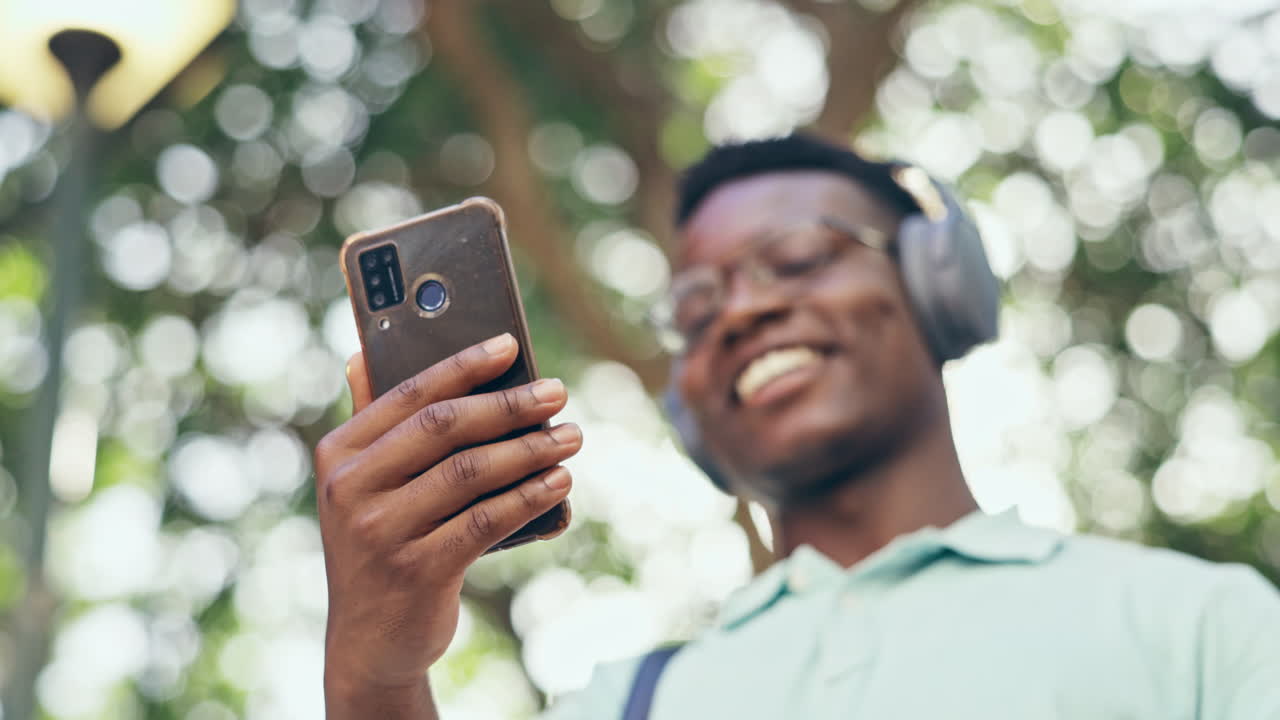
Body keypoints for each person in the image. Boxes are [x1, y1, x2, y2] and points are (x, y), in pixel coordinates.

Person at [313, 133, 1280, 720]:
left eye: (801, 257)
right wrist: (373, 673)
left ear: (940, 287)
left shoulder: (1205, 627)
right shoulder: (625, 704)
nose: (739, 313)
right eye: (698, 310)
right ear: (688, 405)